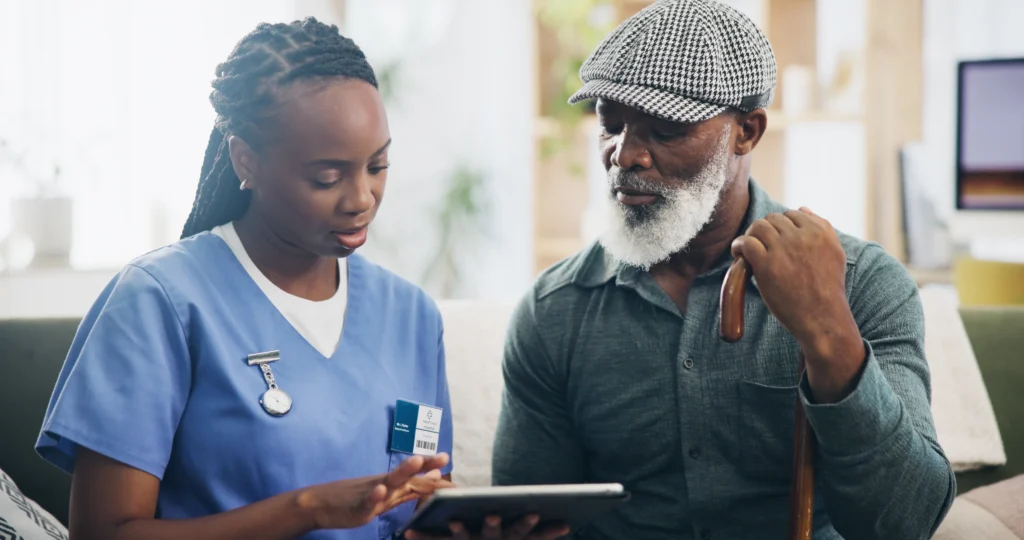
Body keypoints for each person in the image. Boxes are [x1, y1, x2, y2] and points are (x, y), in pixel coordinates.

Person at [33, 18, 562, 540]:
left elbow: (415, 493)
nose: (361, 200)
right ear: (246, 160)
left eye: (377, 166)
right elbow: (105, 534)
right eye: (326, 178)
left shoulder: (411, 315)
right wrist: (306, 509)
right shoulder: (159, 301)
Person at [492, 1, 956, 539]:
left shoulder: (864, 284)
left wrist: (827, 329)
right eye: (611, 125)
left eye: (664, 131)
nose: (624, 156)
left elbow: (907, 524)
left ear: (748, 132)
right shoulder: (554, 311)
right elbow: (527, 521)